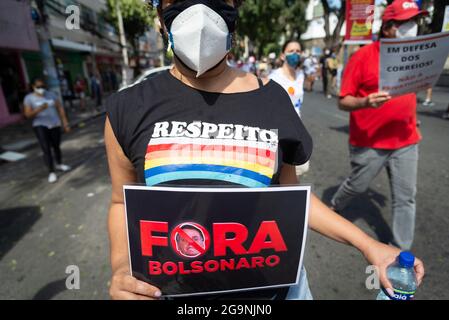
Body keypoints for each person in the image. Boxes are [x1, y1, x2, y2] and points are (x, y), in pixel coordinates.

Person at [106, 0, 424, 300]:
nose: (199, 12)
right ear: (160, 16)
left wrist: (369, 245)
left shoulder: (272, 99)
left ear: (235, 10)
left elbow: (292, 198)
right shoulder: (127, 108)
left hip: (272, 293)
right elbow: (121, 202)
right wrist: (121, 265)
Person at [331, 0, 428, 251]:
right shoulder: (362, 57)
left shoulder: (414, 56)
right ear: (387, 28)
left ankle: (399, 250)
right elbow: (344, 102)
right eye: (406, 23)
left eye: (414, 22)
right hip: (369, 141)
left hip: (406, 139)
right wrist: (365, 101)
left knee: (406, 198)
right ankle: (336, 205)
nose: (412, 27)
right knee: (357, 185)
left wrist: (410, 115)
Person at [269, 40, 309, 175]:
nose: (295, 54)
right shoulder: (274, 78)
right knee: (279, 173)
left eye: (298, 51)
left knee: (300, 168)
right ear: (282, 55)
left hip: (297, 129)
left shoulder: (300, 75)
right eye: (291, 51)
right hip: (280, 133)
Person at [23, 78, 72, 183]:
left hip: (55, 124)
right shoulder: (29, 98)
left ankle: (59, 164)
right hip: (40, 125)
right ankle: (51, 172)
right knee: (46, 149)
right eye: (38, 87)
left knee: (56, 146)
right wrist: (39, 109)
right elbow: (27, 114)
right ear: (33, 87)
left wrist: (65, 123)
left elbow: (60, 108)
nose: (41, 89)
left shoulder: (51, 95)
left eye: (43, 87)